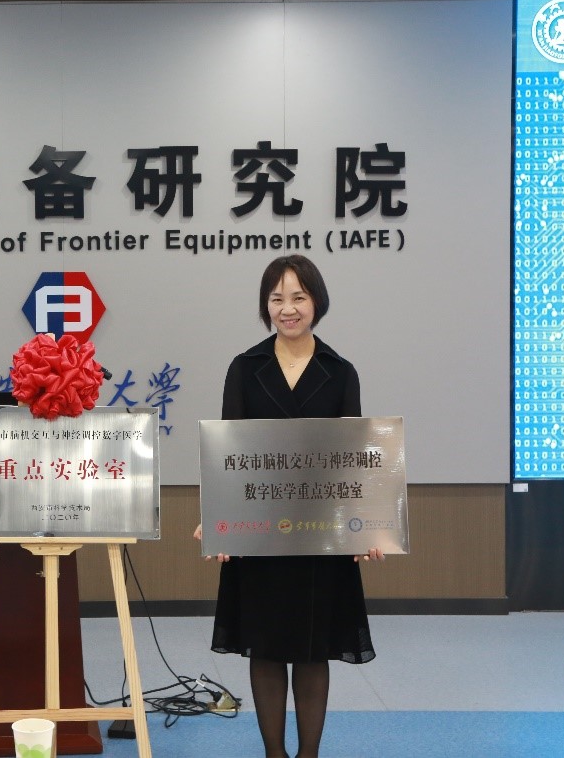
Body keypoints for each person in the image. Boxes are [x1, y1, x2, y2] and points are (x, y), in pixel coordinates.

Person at [194, 255, 383, 758]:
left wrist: (365, 528)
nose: (288, 308)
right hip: (261, 531)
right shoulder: (244, 368)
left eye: (298, 297)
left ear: (316, 301)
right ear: (266, 306)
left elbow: (352, 459)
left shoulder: (340, 371)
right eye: (277, 298)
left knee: (313, 649)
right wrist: (219, 521)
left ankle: (308, 755)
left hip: (320, 535)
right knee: (267, 646)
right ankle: (274, 754)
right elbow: (229, 454)